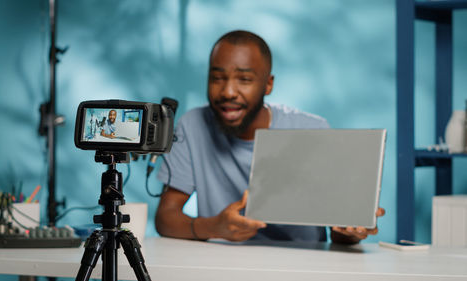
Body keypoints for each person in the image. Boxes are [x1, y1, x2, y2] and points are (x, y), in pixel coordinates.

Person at [155, 30, 384, 243]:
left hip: (304, 266)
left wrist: (351, 230)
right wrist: (214, 227)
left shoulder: (311, 129)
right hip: (225, 264)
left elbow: (340, 234)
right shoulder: (193, 125)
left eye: (244, 80)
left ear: (268, 85)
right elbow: (166, 218)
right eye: (217, 78)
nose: (228, 92)